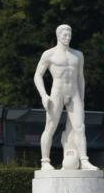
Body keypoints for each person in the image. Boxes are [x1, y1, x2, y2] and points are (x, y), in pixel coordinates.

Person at [33, 24, 97, 171]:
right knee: (50, 127)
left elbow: (81, 78)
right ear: (58, 36)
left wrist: (82, 97)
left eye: (69, 35)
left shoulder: (78, 55)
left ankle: (84, 160)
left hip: (74, 93)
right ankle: (45, 161)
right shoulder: (49, 54)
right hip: (57, 93)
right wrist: (44, 95)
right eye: (64, 35)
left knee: (80, 127)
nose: (67, 37)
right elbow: (37, 75)